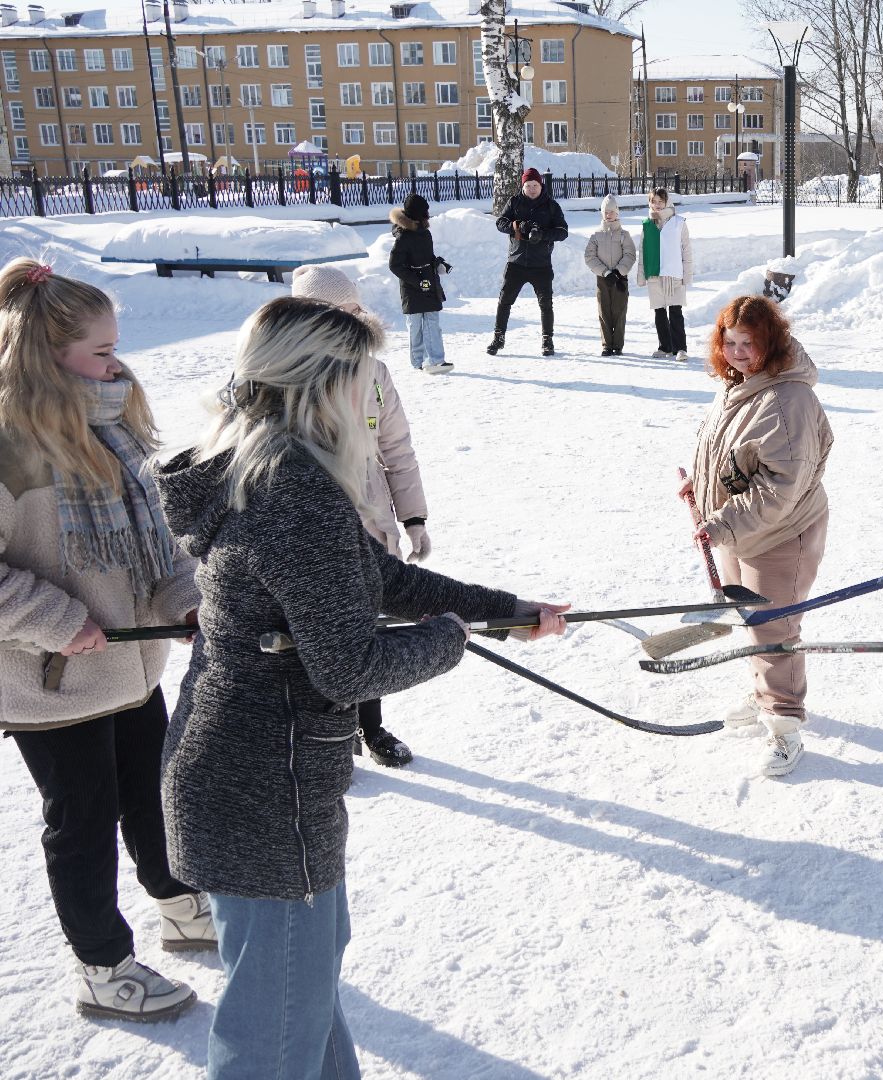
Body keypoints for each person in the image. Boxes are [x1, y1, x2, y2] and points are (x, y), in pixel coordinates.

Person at [152, 295, 570, 1078]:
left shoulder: (270, 467)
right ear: (319, 384)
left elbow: (380, 579)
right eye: (361, 376)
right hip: (264, 793)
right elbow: (349, 667)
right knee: (276, 1028)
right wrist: (450, 640)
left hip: (245, 778)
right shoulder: (292, 493)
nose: (371, 394)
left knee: (302, 995)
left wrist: (506, 612)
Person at [0, 258, 213, 1021]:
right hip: (50, 682)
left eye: (117, 346)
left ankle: (179, 904)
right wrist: (58, 621)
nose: (117, 364)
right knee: (83, 821)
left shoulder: (113, 429)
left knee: (154, 793)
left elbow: (157, 544)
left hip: (129, 669)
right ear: (46, 354)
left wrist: (187, 603)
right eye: (101, 351)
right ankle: (102, 967)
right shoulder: (8, 448)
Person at [681, 296, 831, 777]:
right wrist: (700, 484)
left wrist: (722, 522)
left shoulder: (789, 399)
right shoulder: (740, 385)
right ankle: (765, 692)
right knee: (751, 618)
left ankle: (784, 724)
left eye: (750, 343)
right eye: (730, 342)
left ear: (773, 342)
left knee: (775, 629)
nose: (738, 353)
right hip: (737, 528)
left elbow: (779, 487)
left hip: (778, 534)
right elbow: (732, 453)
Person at [290, 264, 431, 768]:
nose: (348, 323)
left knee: (368, 627)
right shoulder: (283, 374)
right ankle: (327, 733)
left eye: (353, 311)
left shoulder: (374, 372)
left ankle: (370, 726)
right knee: (315, 631)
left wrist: (413, 517)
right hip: (308, 521)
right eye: (336, 313)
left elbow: (396, 448)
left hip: (371, 522)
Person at [489, 167, 568, 357]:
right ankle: (498, 337)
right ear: (523, 186)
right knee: (504, 301)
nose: (532, 189)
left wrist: (542, 235)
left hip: (541, 264)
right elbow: (500, 223)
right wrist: (517, 226)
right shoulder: (514, 202)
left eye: (535, 185)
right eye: (528, 186)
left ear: (541, 185)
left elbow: (563, 232)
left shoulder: (551, 206)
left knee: (546, 304)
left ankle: (547, 340)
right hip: (516, 262)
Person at [387, 193, 454, 375]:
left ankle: (436, 360)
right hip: (412, 288)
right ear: (417, 214)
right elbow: (395, 265)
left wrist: (439, 264)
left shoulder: (425, 233)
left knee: (433, 323)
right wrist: (417, 282)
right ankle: (418, 361)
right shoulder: (403, 237)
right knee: (415, 325)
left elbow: (428, 256)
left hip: (429, 283)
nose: (428, 215)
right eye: (425, 212)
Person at [638, 187, 694, 359]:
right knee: (659, 312)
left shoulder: (679, 223)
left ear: (667, 202)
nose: (657, 205)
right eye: (653, 201)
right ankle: (665, 347)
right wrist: (641, 274)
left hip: (673, 274)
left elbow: (686, 249)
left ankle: (680, 348)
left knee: (675, 311)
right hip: (654, 273)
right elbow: (643, 250)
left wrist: (687, 274)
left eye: (660, 201)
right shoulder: (647, 224)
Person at [584, 193, 637, 356]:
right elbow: (589, 257)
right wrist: (606, 272)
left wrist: (618, 271)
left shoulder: (624, 235)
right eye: (606, 212)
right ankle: (607, 344)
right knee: (604, 311)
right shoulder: (596, 235)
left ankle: (618, 345)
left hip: (620, 278)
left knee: (619, 311)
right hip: (603, 279)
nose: (609, 215)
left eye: (611, 211)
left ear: (617, 212)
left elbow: (630, 255)